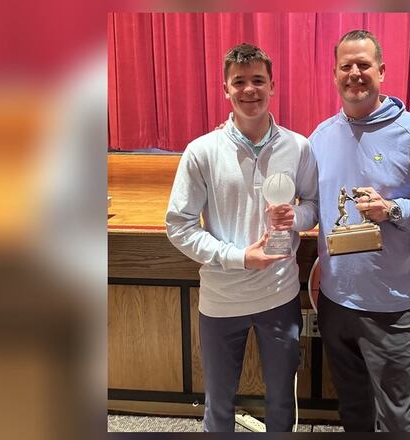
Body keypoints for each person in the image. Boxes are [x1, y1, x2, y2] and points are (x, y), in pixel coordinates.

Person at [309, 30, 410, 432]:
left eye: (363, 65)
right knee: (355, 414)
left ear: (382, 71)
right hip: (336, 304)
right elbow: (308, 206)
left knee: (399, 421)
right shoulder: (321, 137)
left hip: (391, 308)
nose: (355, 73)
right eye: (346, 66)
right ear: (334, 74)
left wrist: (393, 209)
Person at [165, 43, 318, 432]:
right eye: (240, 82)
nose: (250, 90)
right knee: (219, 402)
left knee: (282, 400)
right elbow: (179, 225)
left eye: (258, 80)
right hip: (221, 299)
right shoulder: (201, 151)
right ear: (225, 89)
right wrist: (238, 257)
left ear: (273, 85)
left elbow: (314, 206)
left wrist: (294, 217)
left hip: (280, 296)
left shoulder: (298, 147)